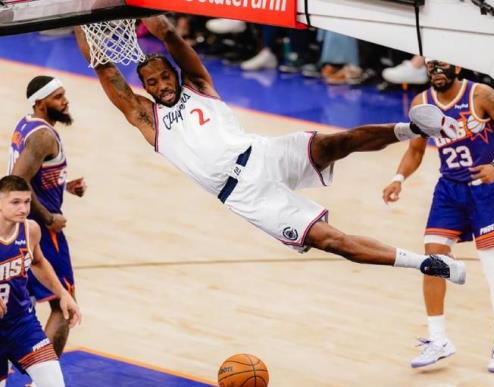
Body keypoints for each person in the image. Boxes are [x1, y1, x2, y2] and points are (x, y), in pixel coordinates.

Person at [75, 16, 465, 284]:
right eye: (152, 82)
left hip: (263, 153)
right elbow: (104, 68)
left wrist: (151, 16)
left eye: (164, 76)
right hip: (246, 196)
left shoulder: (198, 86)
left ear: (174, 75)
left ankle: (413, 128)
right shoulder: (148, 120)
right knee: (333, 242)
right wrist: (75, 16)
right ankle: (427, 263)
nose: (161, 85)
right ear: (144, 88)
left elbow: (171, 37)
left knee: (337, 142)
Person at [382, 59, 494, 371]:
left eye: (442, 65)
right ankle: (438, 340)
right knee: (433, 259)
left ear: (458, 67)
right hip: (450, 189)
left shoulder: (482, 95)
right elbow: (416, 150)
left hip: (489, 189)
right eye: (431, 65)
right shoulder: (422, 103)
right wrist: (398, 179)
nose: (436, 70)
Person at [3, 75, 86, 387]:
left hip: (26, 226)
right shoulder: (42, 136)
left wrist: (66, 186)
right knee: (64, 307)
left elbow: (36, 176)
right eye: (58, 96)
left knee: (10, 309)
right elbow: (19, 181)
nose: (65, 101)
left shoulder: (28, 126)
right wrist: (49, 216)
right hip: (40, 232)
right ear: (40, 102)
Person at [0, 175, 81, 387]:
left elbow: (38, 262)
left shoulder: (30, 230)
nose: (23, 208)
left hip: (21, 324)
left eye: (26, 202)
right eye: (15, 202)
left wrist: (63, 293)